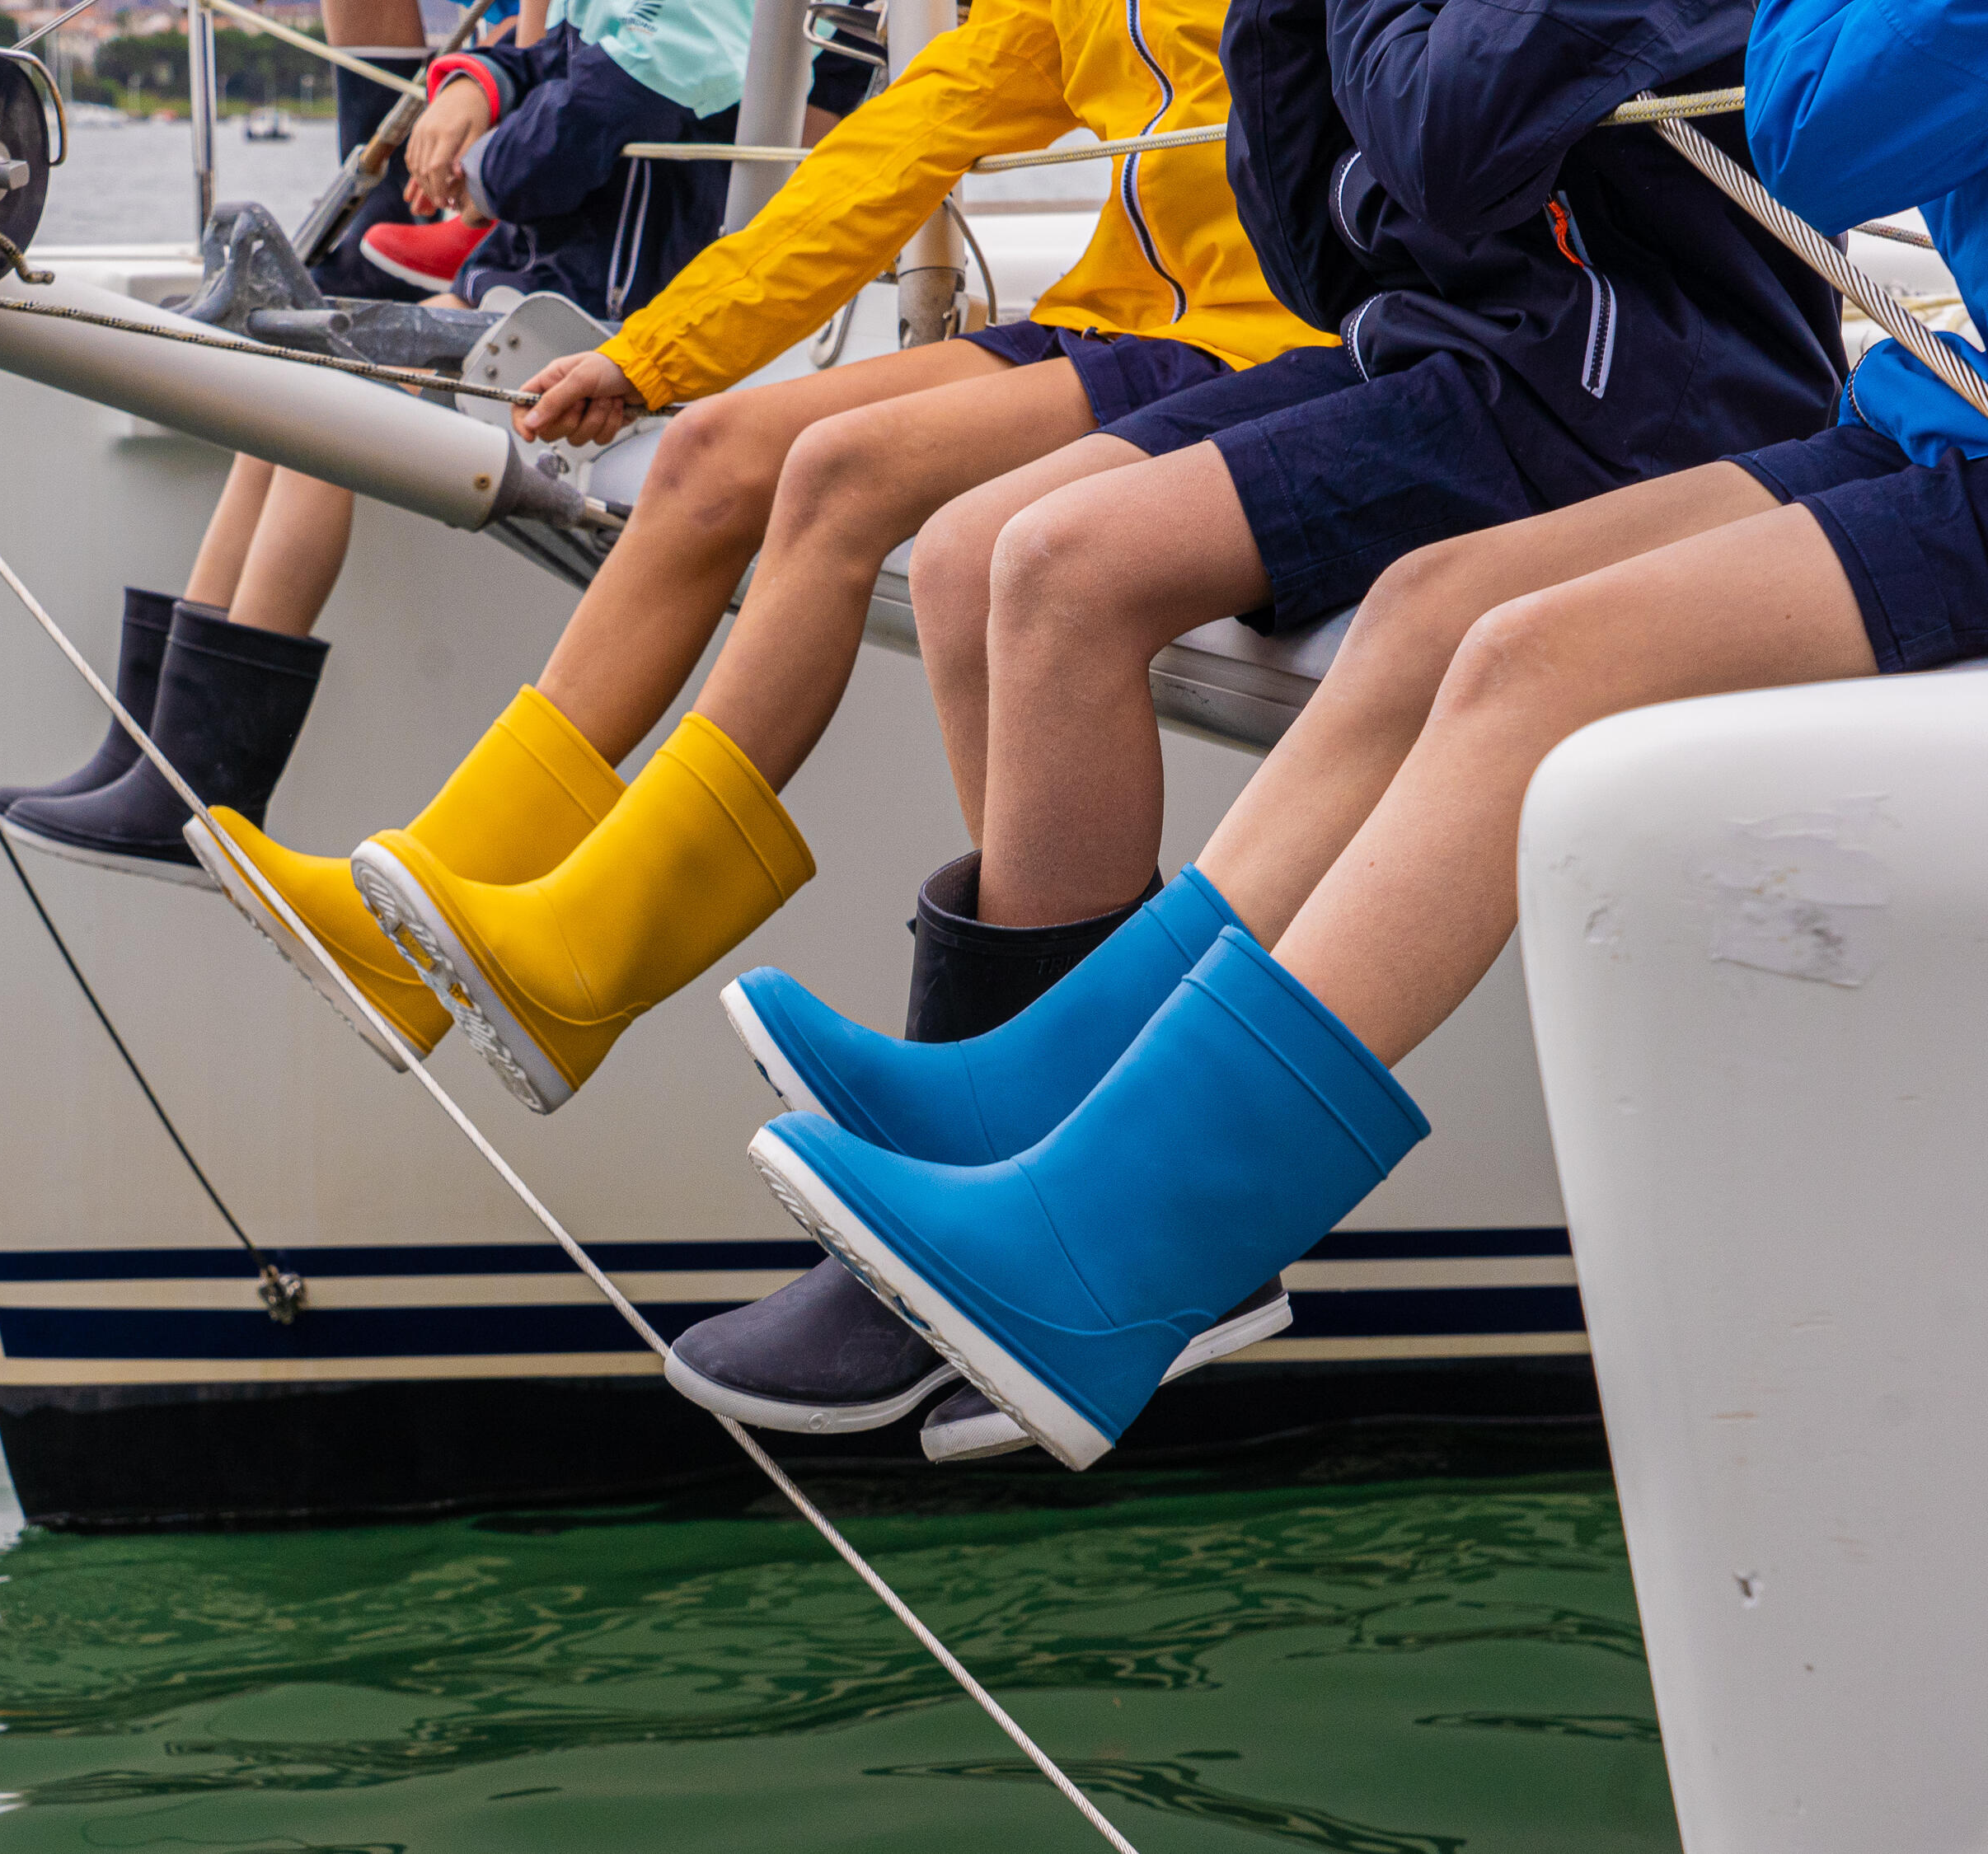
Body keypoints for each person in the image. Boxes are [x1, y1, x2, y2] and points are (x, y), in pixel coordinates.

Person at [691, 0, 1986, 1471]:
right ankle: (1058, 1083)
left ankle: (1123, 1246)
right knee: (1437, 611)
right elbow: (1322, 235)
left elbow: (1826, 131)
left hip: (1711, 391)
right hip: (1937, 405)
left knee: (1528, 660)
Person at [204, 0, 1340, 1097]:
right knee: (713, 449)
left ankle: (597, 947)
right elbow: (880, 161)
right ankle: (419, 929)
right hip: (1129, 318)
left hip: (1262, 338)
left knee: (840, 474)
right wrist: (653, 355)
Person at [0, 0, 866, 884]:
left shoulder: (693, 18)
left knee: (328, 398)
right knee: (279, 387)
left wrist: (478, 163)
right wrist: (475, 84)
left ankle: (207, 790)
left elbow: (577, 134)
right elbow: (554, 66)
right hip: (539, 286)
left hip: (612, 322)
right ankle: (155, 747)